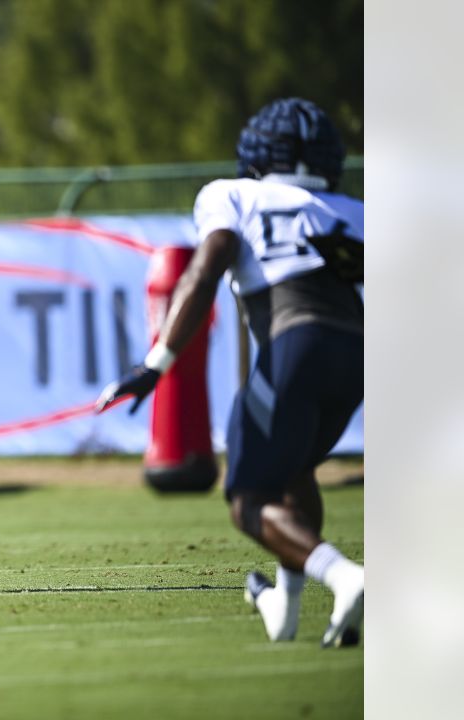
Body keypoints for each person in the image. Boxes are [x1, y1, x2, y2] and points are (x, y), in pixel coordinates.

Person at [96, 98, 364, 647]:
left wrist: (155, 364)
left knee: (246, 499)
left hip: (296, 340)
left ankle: (345, 576)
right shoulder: (353, 209)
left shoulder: (231, 194)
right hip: (361, 352)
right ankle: (284, 610)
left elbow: (208, 265)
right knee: (295, 469)